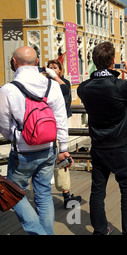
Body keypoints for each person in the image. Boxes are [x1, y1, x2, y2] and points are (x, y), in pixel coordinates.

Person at [77, 42, 127, 235]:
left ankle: (100, 231)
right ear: (112, 62)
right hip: (120, 147)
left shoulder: (83, 88)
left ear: (94, 61)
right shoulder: (120, 85)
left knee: (97, 191)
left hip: (98, 147)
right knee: (126, 190)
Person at [0, 46, 70, 235]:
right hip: (49, 148)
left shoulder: (7, 90)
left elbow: (4, 125)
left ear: (14, 62)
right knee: (44, 193)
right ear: (37, 62)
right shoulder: (52, 85)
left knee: (13, 192)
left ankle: (40, 233)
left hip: (23, 151)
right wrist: (63, 147)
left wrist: (16, 137)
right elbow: (60, 119)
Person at [46, 59, 81, 209]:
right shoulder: (43, 83)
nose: (53, 70)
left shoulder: (63, 84)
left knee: (61, 163)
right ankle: (64, 197)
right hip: (47, 128)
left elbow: (65, 94)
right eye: (50, 68)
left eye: (55, 67)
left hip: (57, 128)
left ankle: (66, 195)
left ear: (61, 70)